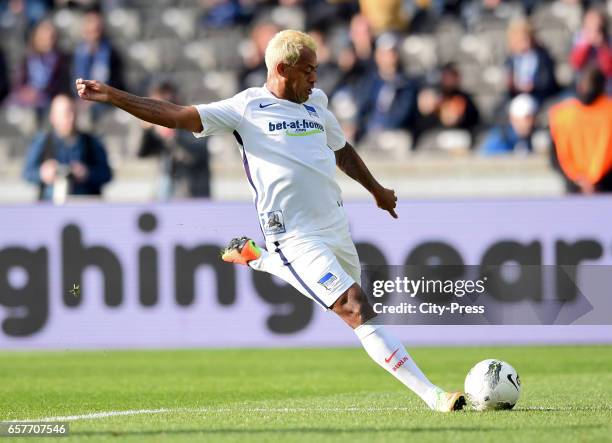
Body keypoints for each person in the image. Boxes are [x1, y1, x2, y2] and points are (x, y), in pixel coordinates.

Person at [76, 29, 465, 412]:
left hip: (336, 227)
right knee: (354, 307)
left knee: (358, 310)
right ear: (282, 68)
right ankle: (433, 396)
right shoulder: (246, 108)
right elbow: (176, 115)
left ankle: (257, 258)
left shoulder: (317, 103)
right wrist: (113, 96)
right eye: (308, 70)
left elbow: (340, 149)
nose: (315, 77)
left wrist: (376, 190)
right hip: (294, 236)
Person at [23, 94, 113, 201]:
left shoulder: (91, 142)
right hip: (50, 206)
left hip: (85, 206)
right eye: (65, 114)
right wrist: (43, 173)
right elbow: (27, 172)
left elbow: (106, 174)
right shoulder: (42, 141)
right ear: (53, 117)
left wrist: (87, 173)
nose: (71, 118)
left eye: (73, 112)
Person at [135, 82, 211, 199]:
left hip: (193, 190)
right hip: (165, 189)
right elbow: (141, 153)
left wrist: (172, 133)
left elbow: (197, 153)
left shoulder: (194, 118)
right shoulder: (157, 128)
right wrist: (146, 131)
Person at [549, 66, 612, 194]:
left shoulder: (562, 114)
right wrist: (593, 179)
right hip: (606, 185)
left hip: (574, 186)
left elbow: (555, 155)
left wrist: (576, 179)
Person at [10, 19, 70, 117]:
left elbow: (59, 85)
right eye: (44, 37)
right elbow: (19, 82)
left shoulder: (60, 60)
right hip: (25, 97)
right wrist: (25, 91)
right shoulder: (28, 57)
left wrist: (39, 93)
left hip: (47, 99)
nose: (48, 40)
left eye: (51, 37)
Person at [504, 19, 558, 105]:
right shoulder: (509, 60)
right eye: (519, 40)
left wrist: (534, 86)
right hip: (517, 98)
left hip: (539, 97)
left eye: (525, 39)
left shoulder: (543, 57)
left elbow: (547, 81)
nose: (523, 44)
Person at [569, 7, 612, 95]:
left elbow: (609, 69)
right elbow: (576, 64)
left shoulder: (607, 41)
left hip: (606, 86)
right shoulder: (579, 39)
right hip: (584, 86)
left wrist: (602, 46)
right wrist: (586, 44)